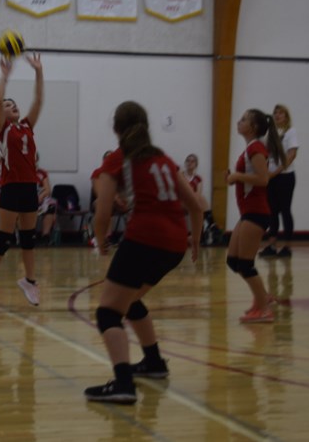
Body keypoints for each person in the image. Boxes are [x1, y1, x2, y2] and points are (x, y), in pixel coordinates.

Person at [84, 101, 202, 404]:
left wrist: (102, 244)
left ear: (116, 129)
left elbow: (102, 212)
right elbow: (195, 205)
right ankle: (154, 363)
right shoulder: (162, 158)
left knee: (108, 311)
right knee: (130, 299)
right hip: (174, 243)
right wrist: (196, 241)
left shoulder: (118, 159)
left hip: (145, 239)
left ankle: (123, 383)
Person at [0, 52, 44, 309]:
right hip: (11, 187)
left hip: (30, 186)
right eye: (8, 105)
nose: (12, 105)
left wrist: (38, 71)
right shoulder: (2, 129)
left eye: (14, 104)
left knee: (28, 238)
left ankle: (29, 281)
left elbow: (38, 100)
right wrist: (5, 76)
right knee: (4, 239)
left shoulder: (27, 126)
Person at [225, 109, 286, 323]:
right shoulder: (251, 148)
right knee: (234, 262)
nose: (238, 122)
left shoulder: (257, 148)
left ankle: (263, 308)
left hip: (256, 212)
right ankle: (262, 298)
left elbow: (263, 179)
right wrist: (235, 178)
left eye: (243, 119)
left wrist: (237, 176)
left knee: (245, 264)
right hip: (248, 212)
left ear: (252, 127)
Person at [259, 104, 299, 258]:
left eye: (280, 113)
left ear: (286, 116)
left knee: (285, 210)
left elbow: (292, 155)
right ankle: (272, 245)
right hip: (271, 177)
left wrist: (276, 172)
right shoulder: (271, 133)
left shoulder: (290, 132)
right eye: (275, 113)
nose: (277, 115)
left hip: (285, 176)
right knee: (272, 212)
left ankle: (287, 247)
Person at [183, 154, 220, 246]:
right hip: (182, 202)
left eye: (192, 161)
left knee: (200, 198)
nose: (190, 163)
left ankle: (205, 232)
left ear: (196, 164)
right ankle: (212, 224)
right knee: (199, 199)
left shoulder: (198, 179)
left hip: (193, 202)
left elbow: (198, 193)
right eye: (188, 160)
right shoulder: (181, 176)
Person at [35, 154, 57, 244]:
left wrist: (41, 196)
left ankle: (45, 235)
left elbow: (48, 189)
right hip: (26, 198)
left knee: (51, 205)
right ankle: (30, 234)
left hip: (39, 198)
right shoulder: (21, 171)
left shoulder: (42, 173)